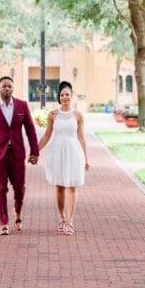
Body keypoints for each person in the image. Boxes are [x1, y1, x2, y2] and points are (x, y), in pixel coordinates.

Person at [0, 76, 40, 236]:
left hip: (17, 154)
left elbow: (30, 130)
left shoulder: (22, 105)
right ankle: (3, 221)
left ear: (13, 88)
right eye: (4, 86)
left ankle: (18, 213)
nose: (7, 88)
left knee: (19, 188)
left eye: (9, 86)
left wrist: (35, 152)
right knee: (0, 188)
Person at [38, 80, 90, 235]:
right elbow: (47, 135)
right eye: (62, 95)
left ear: (71, 96)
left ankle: (70, 220)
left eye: (67, 94)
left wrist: (86, 159)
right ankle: (61, 218)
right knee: (60, 186)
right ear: (59, 97)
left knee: (72, 186)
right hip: (57, 152)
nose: (65, 97)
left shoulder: (78, 115)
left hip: (74, 153)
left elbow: (81, 137)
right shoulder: (53, 115)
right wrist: (36, 151)